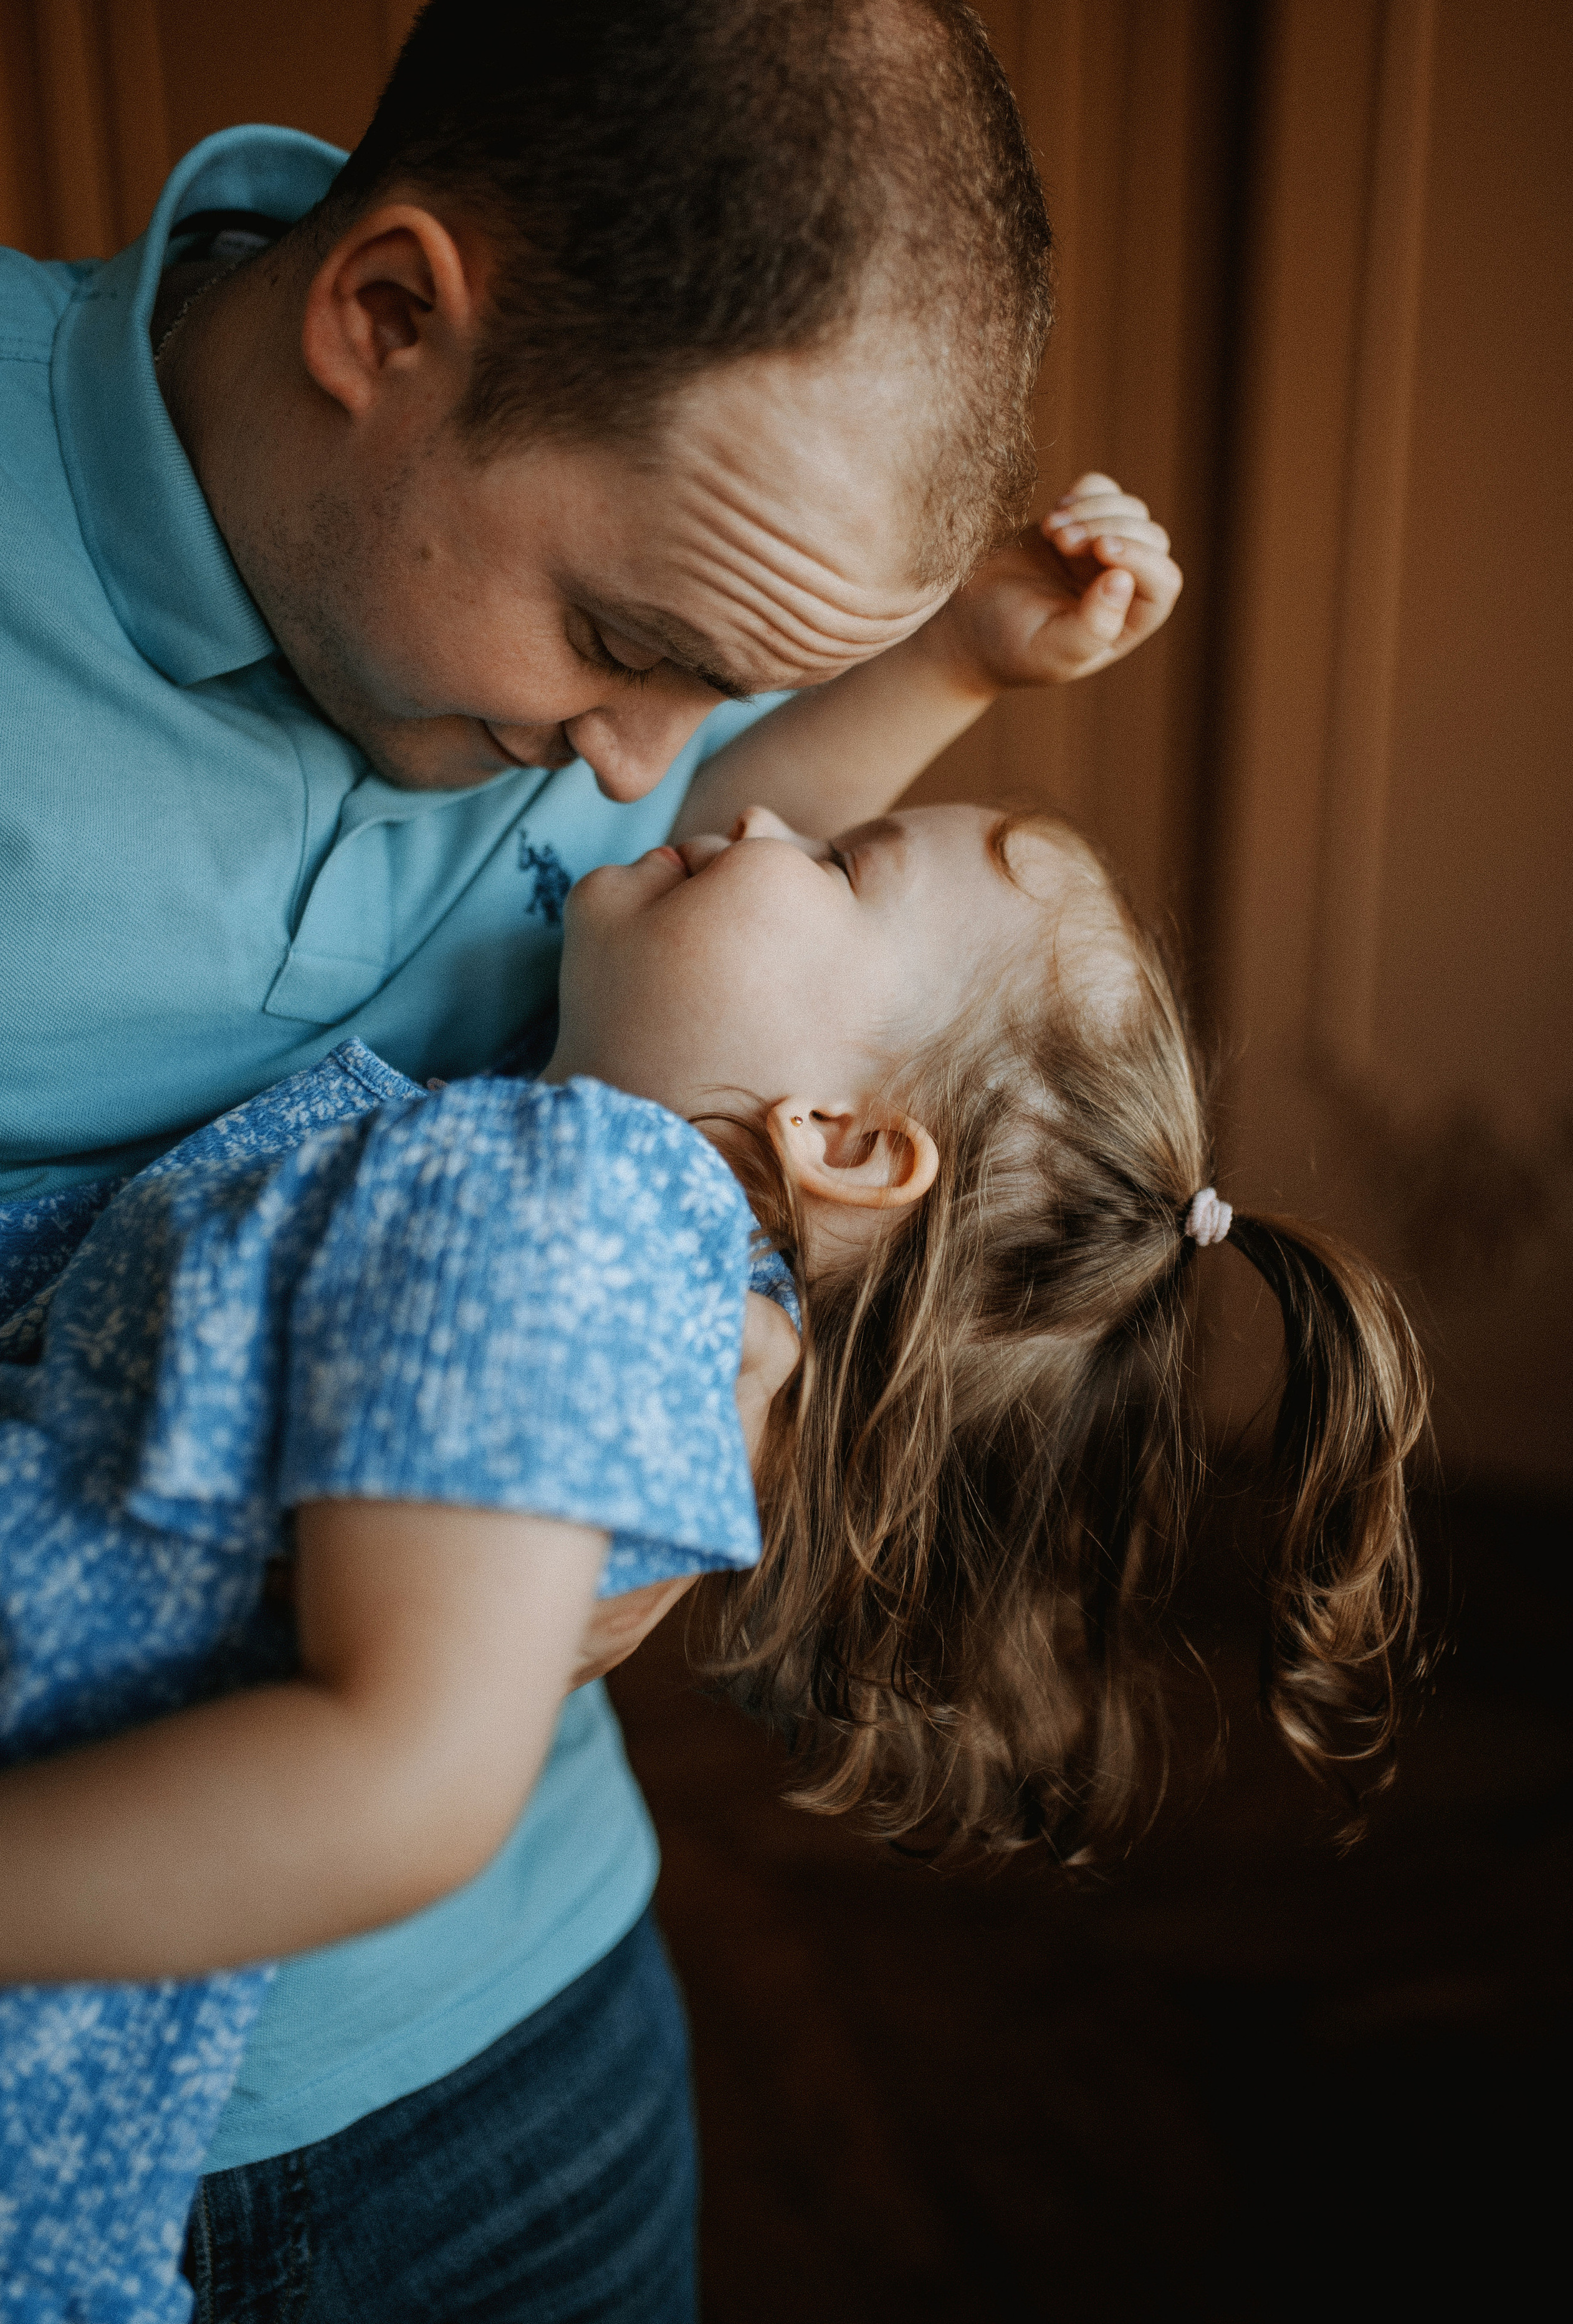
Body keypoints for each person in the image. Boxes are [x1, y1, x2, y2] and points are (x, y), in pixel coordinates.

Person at [0, 0, 1188, 2302]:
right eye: (629, 641)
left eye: (736, 701)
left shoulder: (612, 979)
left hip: (522, 2062)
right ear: (388, 317)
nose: (660, 779)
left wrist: (935, 664)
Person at [0, 796, 1428, 2316]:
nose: (756, 810)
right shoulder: (617, 1219)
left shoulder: (569, 1206)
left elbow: (408, 1787)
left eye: (831, 863)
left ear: (847, 1140)